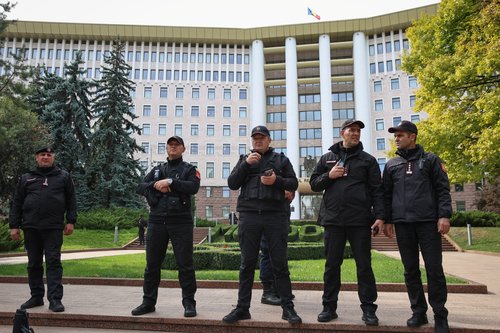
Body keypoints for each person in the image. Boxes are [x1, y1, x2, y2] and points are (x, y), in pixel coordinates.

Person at [223, 125, 302, 324]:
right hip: (249, 216)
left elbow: (293, 183)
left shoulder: (281, 160)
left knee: (279, 263)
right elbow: (232, 183)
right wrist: (245, 165)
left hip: (274, 215)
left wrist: (276, 181)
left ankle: (288, 308)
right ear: (252, 141)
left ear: (269, 140)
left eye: (262, 138)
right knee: (246, 264)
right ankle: (242, 308)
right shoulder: (244, 160)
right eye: (255, 138)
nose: (258, 141)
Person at [309, 119, 384, 326]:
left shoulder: (368, 160)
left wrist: (379, 216)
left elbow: (377, 191)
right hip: (333, 221)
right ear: (342, 133)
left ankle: (369, 309)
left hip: (360, 221)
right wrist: (329, 175)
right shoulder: (328, 158)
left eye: (358, 131)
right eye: (352, 130)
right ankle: (329, 308)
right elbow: (314, 184)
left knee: (364, 266)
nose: (356, 134)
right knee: (332, 266)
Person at [382, 121, 452, 333]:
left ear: (412, 136)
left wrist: (444, 216)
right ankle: (418, 311)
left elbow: (442, 190)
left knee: (434, 269)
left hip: (428, 223)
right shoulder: (391, 164)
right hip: (403, 225)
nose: (396, 138)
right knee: (410, 270)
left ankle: (440, 315)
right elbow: (385, 196)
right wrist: (386, 220)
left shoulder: (430, 160)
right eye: (395, 135)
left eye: (400, 135)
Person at [132, 135, 200, 318]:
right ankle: (148, 302)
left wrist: (171, 183)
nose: (173, 147)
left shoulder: (189, 169)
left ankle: (189, 303)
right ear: (166, 148)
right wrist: (156, 184)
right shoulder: (157, 169)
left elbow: (193, 187)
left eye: (177, 145)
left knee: (185, 265)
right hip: (156, 221)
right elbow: (140, 186)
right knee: (152, 265)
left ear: (183, 149)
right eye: (170, 145)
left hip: (181, 221)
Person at [9, 146, 77, 313]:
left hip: (53, 227)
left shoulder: (63, 176)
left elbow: (71, 200)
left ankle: (55, 299)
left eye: (48, 155)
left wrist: (70, 221)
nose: (45, 157)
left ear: (53, 157)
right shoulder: (27, 177)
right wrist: (14, 226)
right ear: (36, 158)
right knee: (33, 264)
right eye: (42, 155)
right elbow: (17, 202)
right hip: (31, 227)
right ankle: (36, 297)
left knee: (53, 263)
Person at [259, 190, 295, 306]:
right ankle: (268, 292)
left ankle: (278, 288)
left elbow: (292, 182)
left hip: (282, 210)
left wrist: (291, 193)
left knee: (280, 252)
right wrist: (279, 193)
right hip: (267, 211)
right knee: (267, 251)